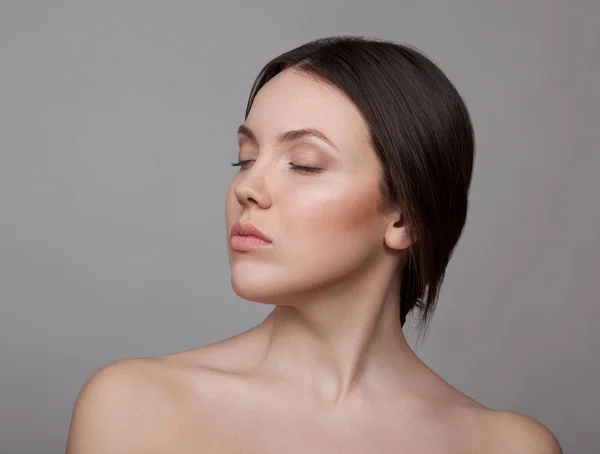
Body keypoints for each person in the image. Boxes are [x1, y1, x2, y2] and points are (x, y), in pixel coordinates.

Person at [66, 35, 562, 453]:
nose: (246, 188)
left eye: (303, 163)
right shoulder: (135, 407)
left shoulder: (507, 445)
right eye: (245, 158)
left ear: (404, 217)